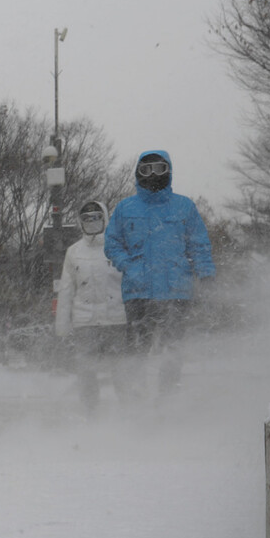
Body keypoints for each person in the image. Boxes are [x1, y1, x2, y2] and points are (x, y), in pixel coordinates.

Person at [104, 150, 215, 397]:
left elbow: (199, 243)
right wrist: (128, 266)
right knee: (136, 349)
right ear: (137, 173)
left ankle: (167, 400)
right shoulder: (125, 208)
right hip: (138, 292)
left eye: (159, 168)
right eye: (146, 169)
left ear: (169, 171)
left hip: (176, 292)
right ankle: (137, 398)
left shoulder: (184, 206)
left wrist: (205, 273)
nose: (153, 175)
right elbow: (112, 243)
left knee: (173, 350)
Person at [55, 201, 128, 413]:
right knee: (85, 370)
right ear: (81, 223)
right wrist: (62, 325)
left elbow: (131, 282)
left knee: (122, 369)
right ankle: (90, 410)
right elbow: (66, 290)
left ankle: (129, 410)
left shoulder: (118, 248)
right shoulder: (73, 252)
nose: (92, 222)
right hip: (84, 323)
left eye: (96, 218)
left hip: (116, 320)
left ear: (105, 219)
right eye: (87, 219)